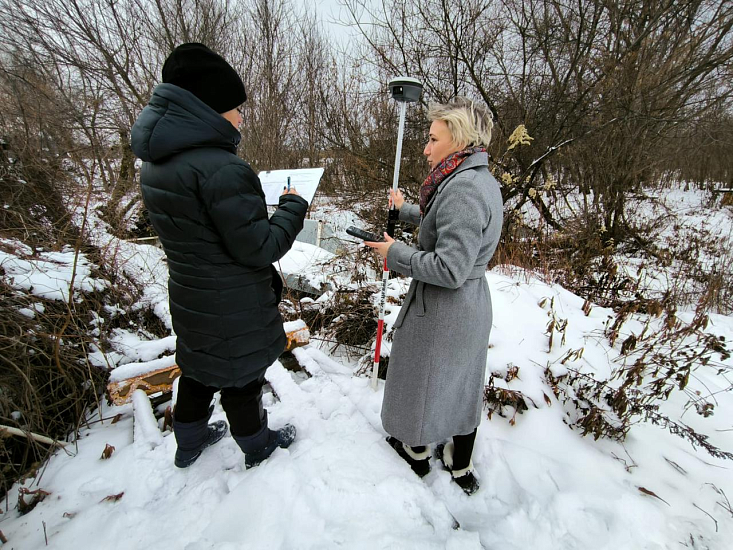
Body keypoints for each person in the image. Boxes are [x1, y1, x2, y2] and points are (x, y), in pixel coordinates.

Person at [130, 43, 308, 469]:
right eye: (235, 107)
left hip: (191, 295)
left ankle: (188, 443)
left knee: (197, 371)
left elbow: (202, 231)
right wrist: (293, 207)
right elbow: (261, 247)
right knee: (242, 379)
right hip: (232, 302)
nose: (242, 115)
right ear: (209, 108)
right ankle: (258, 444)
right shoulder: (222, 168)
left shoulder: (157, 162)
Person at [365, 97, 502, 495]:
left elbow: (449, 268)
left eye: (432, 139)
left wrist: (396, 254)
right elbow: (445, 222)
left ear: (457, 139)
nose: (425, 148)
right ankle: (460, 461)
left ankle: (416, 450)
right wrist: (407, 210)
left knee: (424, 378)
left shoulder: (463, 189)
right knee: (458, 380)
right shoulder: (476, 180)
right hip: (469, 305)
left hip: (446, 307)